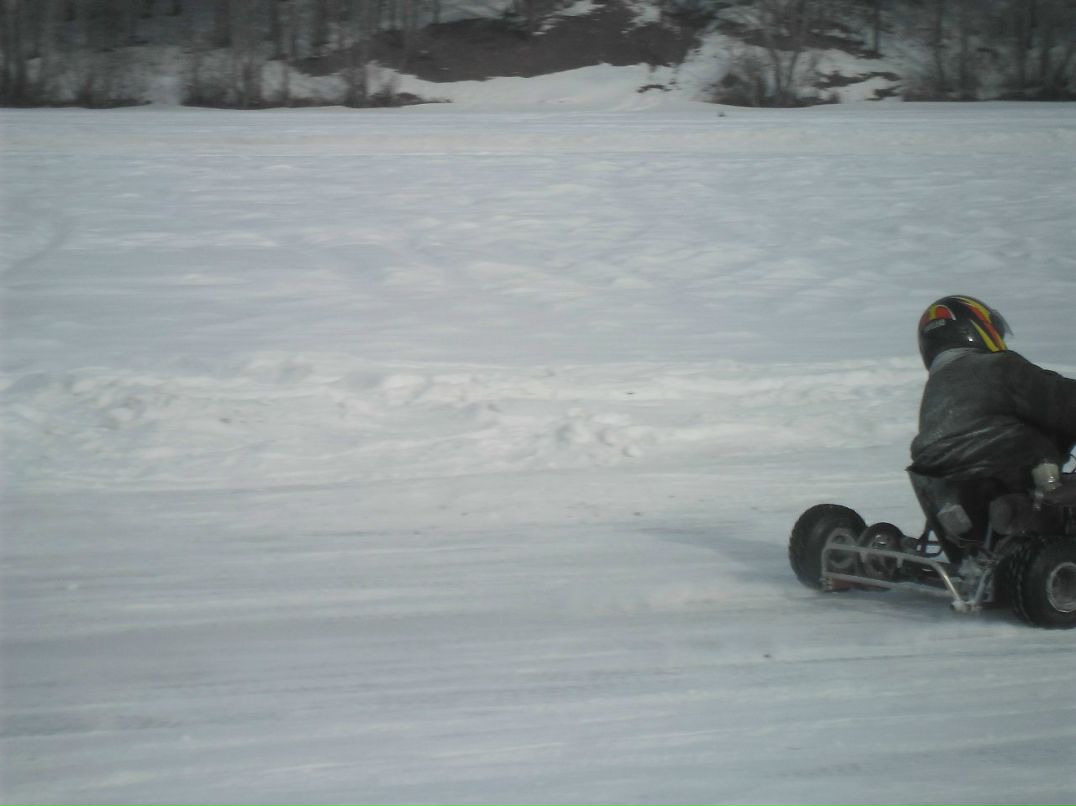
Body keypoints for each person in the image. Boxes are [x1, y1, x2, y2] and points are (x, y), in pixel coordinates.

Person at [908, 295, 1076, 554]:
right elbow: (1063, 402)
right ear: (976, 329)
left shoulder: (935, 390)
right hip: (1008, 485)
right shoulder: (1001, 367)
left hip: (945, 494)